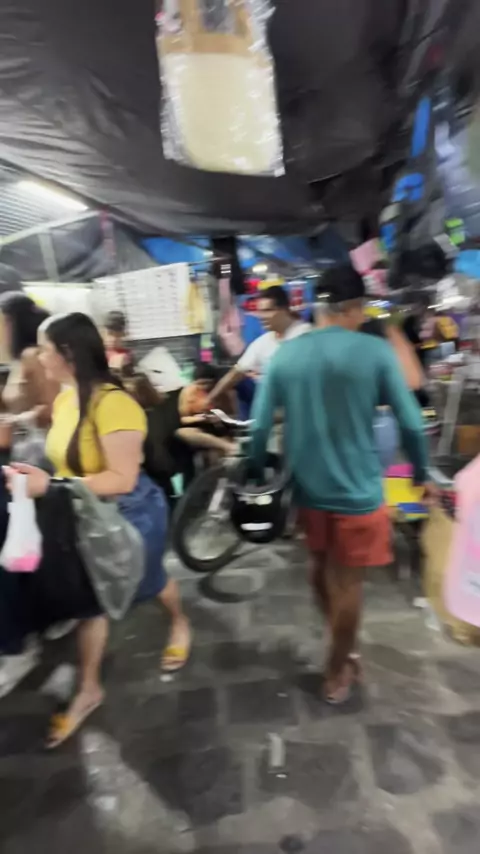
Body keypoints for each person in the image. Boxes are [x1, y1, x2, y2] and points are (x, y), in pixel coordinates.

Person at [249, 265, 435, 705]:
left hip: (307, 490)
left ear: (318, 307)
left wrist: (256, 472)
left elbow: (258, 428)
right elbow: (412, 422)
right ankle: (338, 666)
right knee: (348, 584)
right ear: (354, 308)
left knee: (319, 569)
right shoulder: (374, 352)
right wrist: (421, 473)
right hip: (357, 494)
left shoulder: (285, 355)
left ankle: (343, 647)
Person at [5, 313, 191, 747]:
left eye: (45, 349)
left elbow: (122, 479)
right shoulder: (68, 398)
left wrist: (51, 486)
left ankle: (180, 622)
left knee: (148, 582)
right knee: (93, 600)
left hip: (128, 514)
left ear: (68, 353)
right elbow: (62, 451)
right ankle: (89, 689)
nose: (39, 358)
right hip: (85, 512)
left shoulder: (114, 405)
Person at [0, 293, 63, 698]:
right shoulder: (17, 357)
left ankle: (47, 621)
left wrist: (15, 420)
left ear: (13, 321)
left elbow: (53, 409)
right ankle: (50, 615)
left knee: (36, 539)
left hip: (36, 457)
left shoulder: (29, 356)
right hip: (23, 454)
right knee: (32, 541)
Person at [207, 286, 310, 407]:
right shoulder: (263, 342)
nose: (261, 316)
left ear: (284, 310)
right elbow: (237, 372)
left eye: (267, 310)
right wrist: (210, 399)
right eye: (260, 311)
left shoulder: (305, 335)